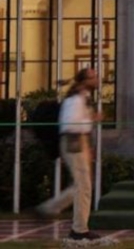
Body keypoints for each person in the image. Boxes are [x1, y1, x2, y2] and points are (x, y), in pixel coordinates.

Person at [36, 68, 102, 241]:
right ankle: (78, 229)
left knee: (83, 185)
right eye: (93, 77)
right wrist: (92, 120)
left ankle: (53, 211)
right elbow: (70, 124)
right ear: (84, 81)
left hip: (79, 142)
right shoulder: (75, 99)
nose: (96, 79)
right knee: (83, 186)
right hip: (74, 141)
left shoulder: (84, 97)